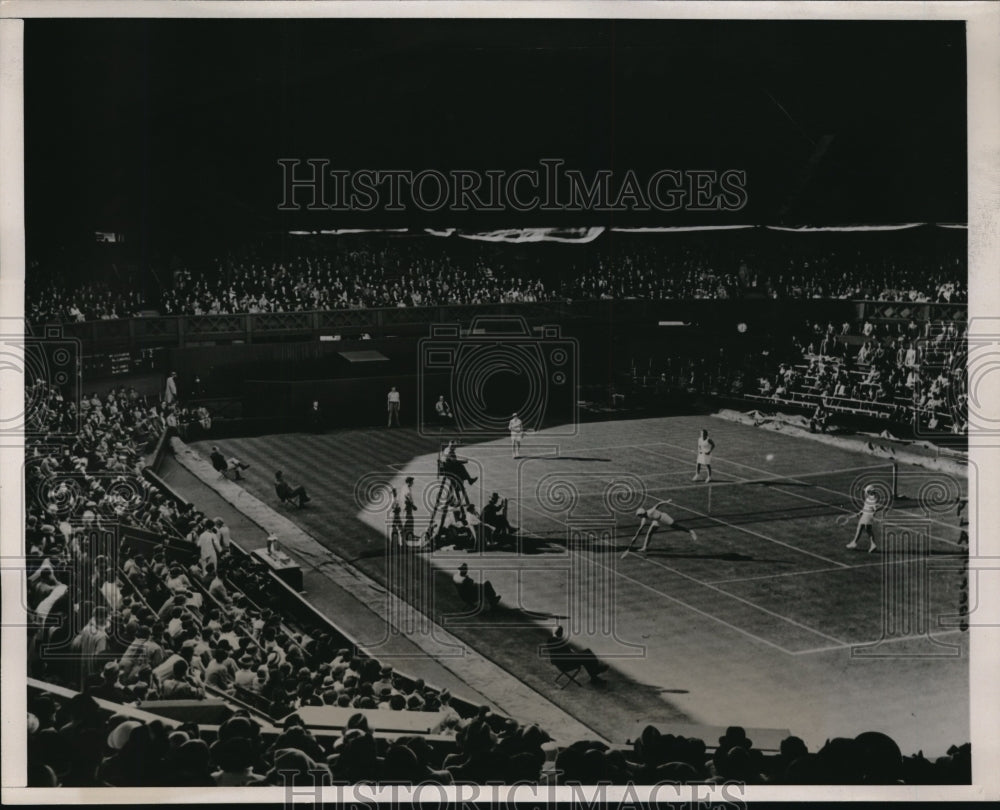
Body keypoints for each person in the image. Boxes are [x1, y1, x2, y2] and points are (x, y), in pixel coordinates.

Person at [623, 500, 697, 558]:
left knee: (675, 526)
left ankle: (690, 531)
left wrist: (666, 502)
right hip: (656, 521)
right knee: (649, 533)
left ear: (642, 514)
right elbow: (640, 530)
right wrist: (635, 538)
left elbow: (658, 504)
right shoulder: (644, 519)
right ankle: (644, 547)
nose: (639, 517)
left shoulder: (650, 512)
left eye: (639, 515)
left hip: (663, 517)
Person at [542, 626, 609, 683]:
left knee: (585, 657)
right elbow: (568, 654)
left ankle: (594, 676)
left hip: (560, 663)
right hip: (566, 664)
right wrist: (573, 653)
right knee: (587, 653)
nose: (562, 633)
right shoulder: (559, 641)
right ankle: (596, 671)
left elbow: (564, 653)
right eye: (561, 632)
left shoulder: (550, 640)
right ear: (559, 633)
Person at [844, 484, 879, 553]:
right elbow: (866, 507)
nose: (865, 493)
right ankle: (873, 545)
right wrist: (860, 512)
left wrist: (873, 515)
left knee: (860, 527)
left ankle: (854, 543)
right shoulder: (870, 496)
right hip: (867, 515)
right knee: (868, 530)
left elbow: (875, 508)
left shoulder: (872, 499)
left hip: (868, 515)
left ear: (869, 492)